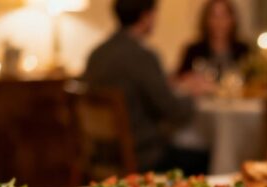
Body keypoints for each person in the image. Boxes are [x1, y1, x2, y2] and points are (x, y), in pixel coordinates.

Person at [82, 0, 203, 172]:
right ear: (146, 16)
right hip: (142, 156)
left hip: (101, 154)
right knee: (204, 154)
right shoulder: (142, 56)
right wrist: (193, 94)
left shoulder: (97, 54)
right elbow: (173, 111)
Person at [177, 0, 249, 81]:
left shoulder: (244, 51)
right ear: (206, 20)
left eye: (224, 16)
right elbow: (179, 80)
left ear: (232, 20)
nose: (219, 22)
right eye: (214, 16)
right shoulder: (193, 51)